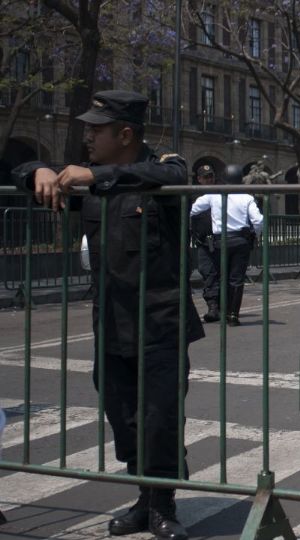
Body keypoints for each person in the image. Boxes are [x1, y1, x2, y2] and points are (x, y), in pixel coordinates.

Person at [13, 90, 202, 540]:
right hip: (111, 324)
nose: (88, 138)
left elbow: (172, 172)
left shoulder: (163, 176)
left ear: (125, 134)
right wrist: (36, 170)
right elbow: (25, 175)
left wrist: (97, 174)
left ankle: (163, 504)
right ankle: (142, 497)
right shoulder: (91, 190)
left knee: (160, 418)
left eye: (97, 130)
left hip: (160, 323)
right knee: (123, 415)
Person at [190, 177, 263, 326]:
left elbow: (193, 209)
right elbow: (258, 220)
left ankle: (221, 311)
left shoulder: (214, 194)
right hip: (241, 241)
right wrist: (256, 234)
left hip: (220, 241)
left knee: (221, 276)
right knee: (236, 279)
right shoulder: (247, 197)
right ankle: (233, 315)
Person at [191, 165, 219, 322]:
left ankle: (224, 306)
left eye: (211, 176)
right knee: (207, 272)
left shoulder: (220, 193)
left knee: (221, 273)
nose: (209, 179)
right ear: (199, 179)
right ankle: (212, 306)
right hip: (203, 241)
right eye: (206, 177)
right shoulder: (194, 195)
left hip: (221, 241)